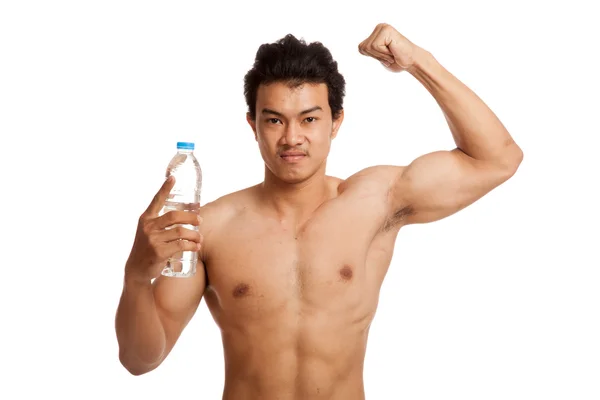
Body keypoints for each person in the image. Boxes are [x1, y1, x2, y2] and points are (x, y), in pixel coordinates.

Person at [115, 22, 523, 399]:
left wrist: (419, 62)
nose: (292, 138)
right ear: (252, 126)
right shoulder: (213, 227)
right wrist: (136, 275)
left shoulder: (376, 201)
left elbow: (498, 158)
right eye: (274, 121)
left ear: (336, 121)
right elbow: (141, 359)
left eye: (309, 119)